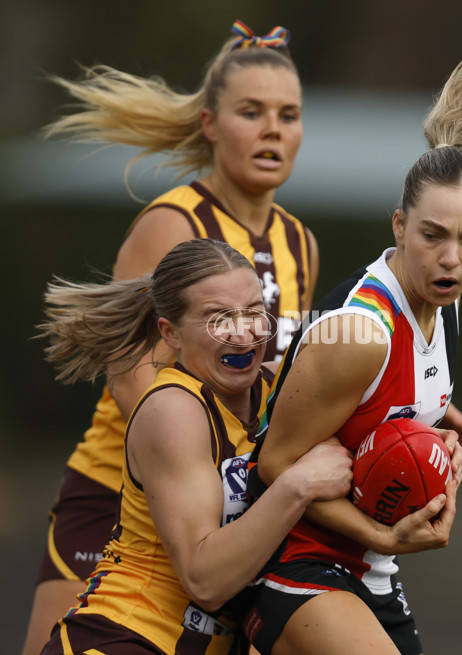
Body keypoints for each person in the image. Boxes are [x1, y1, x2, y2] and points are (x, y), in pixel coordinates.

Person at [239, 7, 462, 655]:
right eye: (433, 236)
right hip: (299, 568)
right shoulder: (359, 333)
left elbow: (380, 399)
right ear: (399, 227)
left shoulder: (441, 300)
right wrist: (384, 534)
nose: (451, 257)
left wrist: (436, 412)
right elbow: (273, 462)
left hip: (372, 575)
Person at [21, 19, 319, 655]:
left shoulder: (301, 242)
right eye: (252, 111)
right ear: (211, 124)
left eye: (289, 114)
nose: (274, 128)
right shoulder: (173, 223)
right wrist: (206, 479)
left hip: (217, 501)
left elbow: (286, 379)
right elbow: (134, 380)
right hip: (122, 496)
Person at [36, 238, 353, 655]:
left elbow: (361, 373)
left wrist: (430, 427)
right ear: (170, 332)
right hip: (126, 638)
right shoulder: (173, 411)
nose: (243, 333)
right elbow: (206, 581)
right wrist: (298, 485)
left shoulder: (280, 387)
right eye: (218, 317)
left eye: (254, 312)